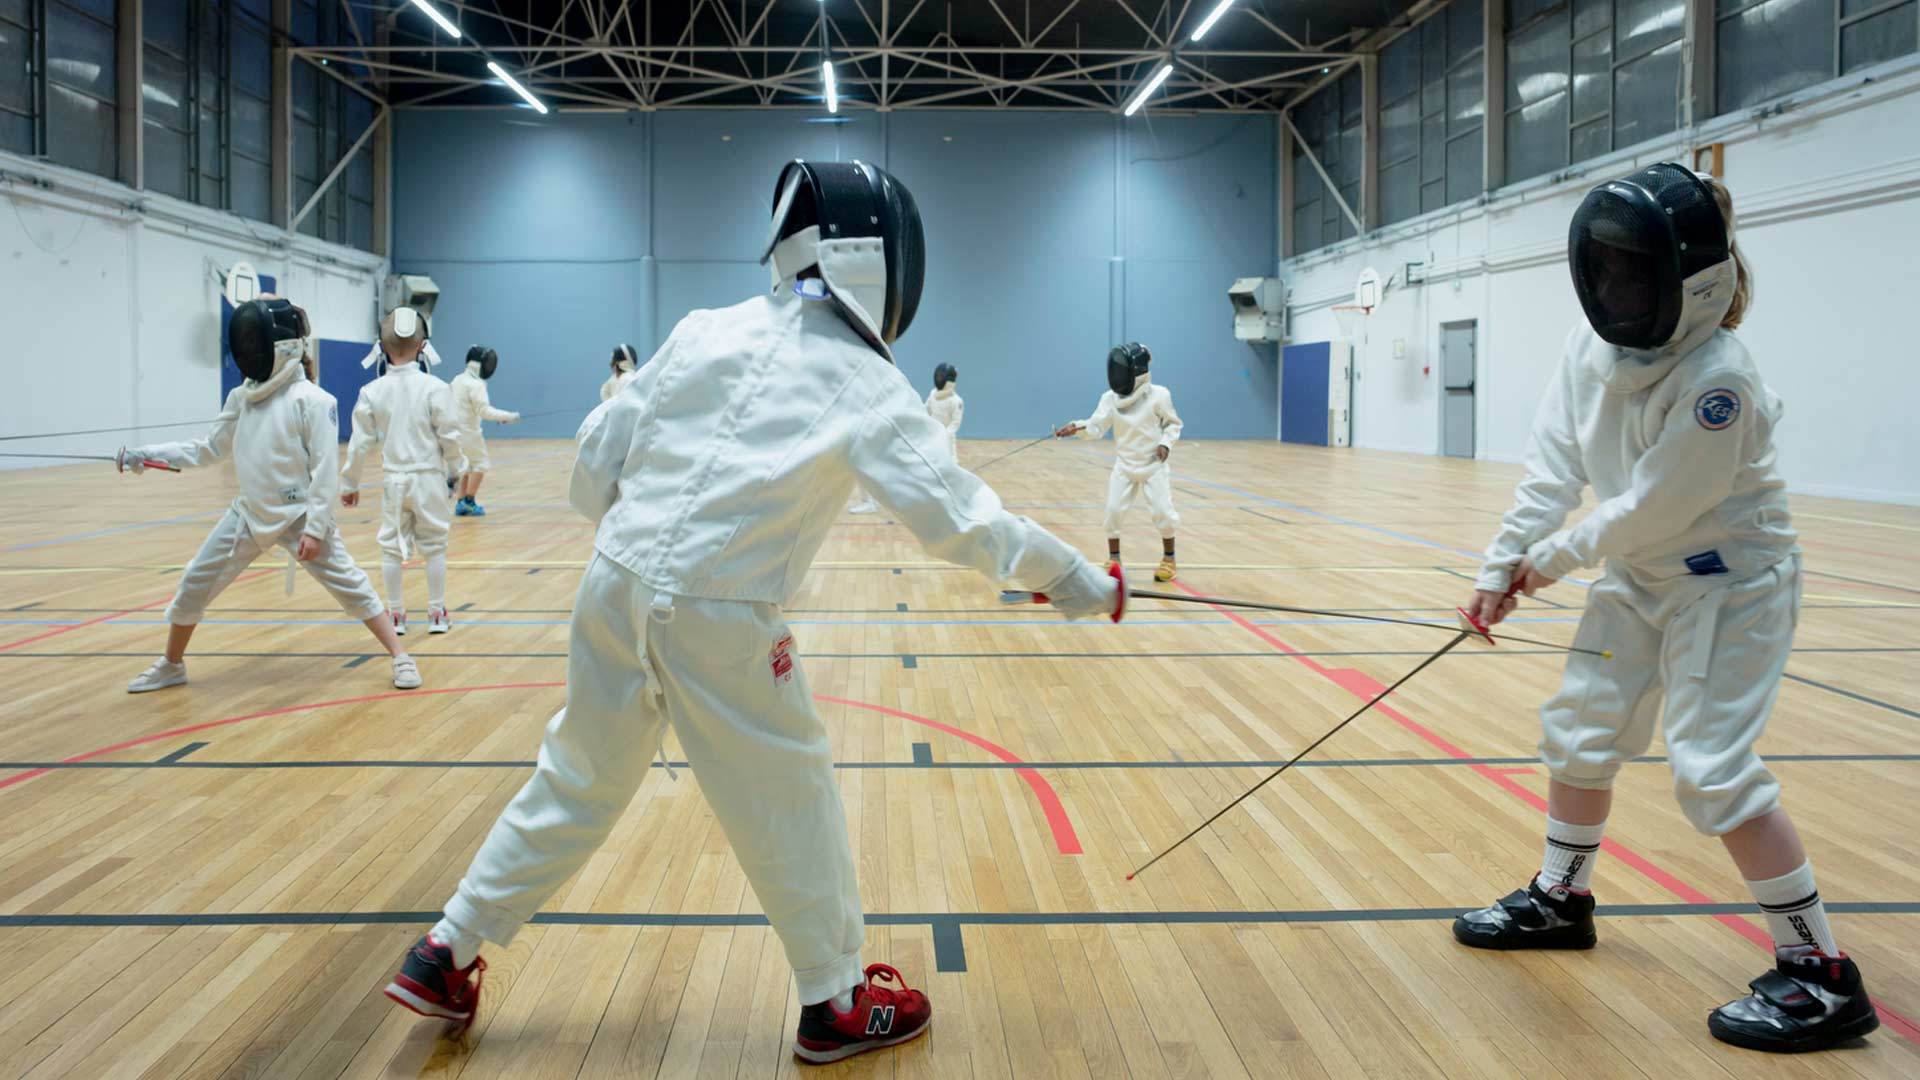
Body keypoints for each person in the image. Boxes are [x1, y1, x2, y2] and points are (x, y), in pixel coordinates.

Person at [381, 159, 1123, 1064]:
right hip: (721, 610)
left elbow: (597, 451)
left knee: (577, 775)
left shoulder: (705, 328)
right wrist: (1081, 580)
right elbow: (962, 517)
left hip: (612, 579)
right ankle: (835, 1001)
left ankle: (445, 950)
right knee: (789, 793)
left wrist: (637, 538)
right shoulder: (862, 378)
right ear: (877, 258)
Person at [1451, 163, 1878, 1053]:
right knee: (1580, 731)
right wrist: (1500, 565)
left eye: (1630, 269)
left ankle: (1820, 974)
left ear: (1688, 274)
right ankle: (1560, 899)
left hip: (1730, 585)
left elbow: (1654, 503)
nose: (1613, 286)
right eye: (1604, 267)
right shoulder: (1590, 345)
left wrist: (1549, 563)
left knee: (1712, 766)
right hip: (1639, 581)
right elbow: (1553, 466)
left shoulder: (1721, 379)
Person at [123, 297, 420, 692]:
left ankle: (401, 657)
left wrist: (315, 529)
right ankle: (172, 663)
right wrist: (148, 455)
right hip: (248, 514)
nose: (248, 350)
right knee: (196, 579)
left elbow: (325, 471)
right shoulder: (242, 397)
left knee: (352, 586)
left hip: (299, 517)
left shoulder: (315, 402)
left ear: (280, 347)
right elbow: (207, 449)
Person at [341, 308, 468, 638]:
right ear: (423, 346)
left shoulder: (372, 391)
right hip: (429, 480)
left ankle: (395, 615)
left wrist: (349, 483)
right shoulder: (437, 387)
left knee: (390, 549)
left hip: (394, 482)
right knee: (435, 545)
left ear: (381, 347)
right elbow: (450, 437)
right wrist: (458, 469)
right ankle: (437, 612)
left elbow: (359, 444)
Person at [1054, 342, 1183, 582]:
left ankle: (1169, 559)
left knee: (1163, 513)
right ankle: (1114, 559)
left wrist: (1165, 443)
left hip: (1153, 465)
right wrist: (1076, 427)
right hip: (1124, 465)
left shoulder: (1159, 396)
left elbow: (1173, 424)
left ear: (1137, 371)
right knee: (1113, 511)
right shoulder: (1110, 399)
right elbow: (1096, 425)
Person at [449, 345, 521, 517]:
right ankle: (469, 501)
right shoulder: (476, 385)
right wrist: (509, 416)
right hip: (470, 432)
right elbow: (484, 411)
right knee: (480, 464)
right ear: (480, 364)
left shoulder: (457, 380)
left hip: (454, 431)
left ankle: (461, 502)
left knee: (466, 466)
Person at [926, 362, 962, 458]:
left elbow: (955, 423)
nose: (939, 379)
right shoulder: (933, 393)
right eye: (938, 376)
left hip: (946, 440)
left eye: (941, 377)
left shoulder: (956, 401)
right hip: (932, 436)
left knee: (949, 463)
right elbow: (926, 410)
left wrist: (944, 435)